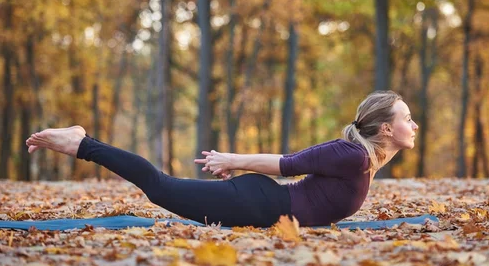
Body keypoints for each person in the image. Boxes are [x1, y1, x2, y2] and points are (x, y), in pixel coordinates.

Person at [25, 90, 418, 228]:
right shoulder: (351, 155)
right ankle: (82, 143)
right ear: (385, 128)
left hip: (262, 204)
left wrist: (238, 163)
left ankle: (83, 143)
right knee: (160, 187)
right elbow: (288, 163)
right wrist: (234, 158)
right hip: (259, 204)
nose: (413, 124)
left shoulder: (360, 159)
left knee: (162, 189)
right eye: (407, 118)